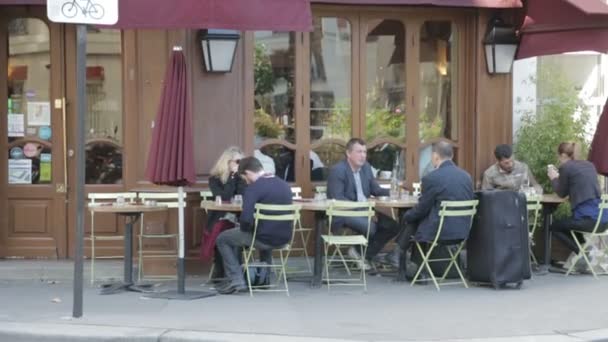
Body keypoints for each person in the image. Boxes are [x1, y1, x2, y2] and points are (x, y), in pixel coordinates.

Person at [215, 157, 293, 294]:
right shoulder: (284, 185)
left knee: (222, 239)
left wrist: (245, 229)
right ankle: (264, 279)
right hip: (284, 239)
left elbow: (246, 220)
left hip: (262, 239)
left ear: (248, 173)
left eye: (244, 177)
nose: (245, 181)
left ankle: (236, 279)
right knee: (265, 228)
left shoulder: (253, 188)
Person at [397, 141, 474, 278]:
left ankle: (402, 257)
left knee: (412, 220)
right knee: (417, 219)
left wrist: (406, 216)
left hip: (440, 232)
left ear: (435, 156)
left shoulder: (432, 178)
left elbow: (422, 208)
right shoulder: (466, 177)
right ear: (452, 155)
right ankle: (406, 261)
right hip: (462, 231)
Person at [326, 138, 401, 270]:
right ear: (348, 154)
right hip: (343, 213)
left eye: (365, 152)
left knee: (392, 226)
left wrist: (395, 192)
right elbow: (338, 200)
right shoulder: (338, 170)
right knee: (372, 228)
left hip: (365, 211)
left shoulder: (366, 168)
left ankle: (360, 253)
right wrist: (364, 210)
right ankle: (362, 255)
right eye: (359, 152)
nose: (363, 155)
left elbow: (375, 189)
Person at [548, 142, 608, 263]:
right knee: (570, 223)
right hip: (603, 221)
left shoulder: (566, 167)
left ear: (563, 155)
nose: (558, 160)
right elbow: (579, 184)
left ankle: (585, 253)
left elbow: (561, 193)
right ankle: (588, 250)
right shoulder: (590, 165)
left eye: (558, 157)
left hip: (588, 220)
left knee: (555, 227)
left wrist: (554, 178)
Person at [204, 147, 247, 281]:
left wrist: (238, 177)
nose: (240, 164)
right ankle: (225, 272)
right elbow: (223, 196)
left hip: (239, 216)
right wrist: (232, 178)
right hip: (220, 216)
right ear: (227, 162)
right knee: (225, 228)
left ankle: (233, 274)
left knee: (237, 228)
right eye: (238, 161)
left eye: (242, 161)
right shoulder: (215, 178)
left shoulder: (242, 177)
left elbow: (242, 194)